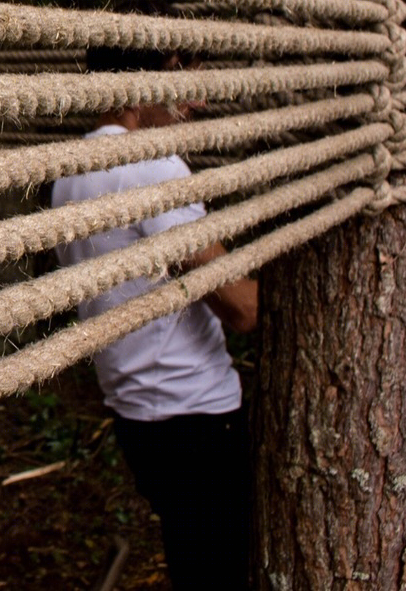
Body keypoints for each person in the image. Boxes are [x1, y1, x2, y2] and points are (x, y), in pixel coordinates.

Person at [52, 96, 258, 591]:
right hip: (196, 415)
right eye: (176, 69)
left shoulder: (70, 171)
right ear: (134, 88)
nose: (198, 97)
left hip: (136, 414)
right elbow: (241, 308)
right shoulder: (151, 163)